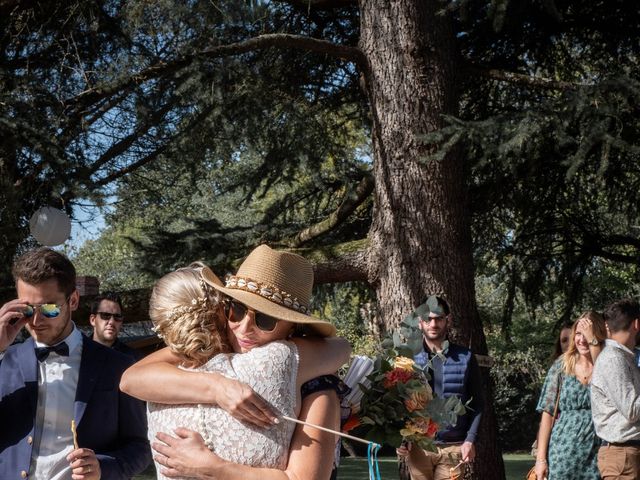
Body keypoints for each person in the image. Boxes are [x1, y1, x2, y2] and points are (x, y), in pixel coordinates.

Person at [120, 244, 350, 479]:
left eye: (265, 319)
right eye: (237, 310)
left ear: (293, 325)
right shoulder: (208, 353)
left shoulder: (316, 385)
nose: (244, 328)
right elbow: (131, 379)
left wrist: (214, 468)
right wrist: (218, 387)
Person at [0, 247, 151, 480]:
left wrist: (103, 468)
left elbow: (140, 448)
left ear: (73, 300)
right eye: (28, 310)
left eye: (49, 308)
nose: (36, 321)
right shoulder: (5, 361)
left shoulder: (117, 366)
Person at [397, 296, 484, 480]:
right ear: (420, 322)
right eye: (428, 319)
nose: (433, 324)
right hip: (419, 447)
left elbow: (478, 403)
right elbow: (398, 404)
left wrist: (470, 440)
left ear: (447, 320)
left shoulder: (465, 357)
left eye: (439, 318)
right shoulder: (408, 359)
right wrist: (400, 439)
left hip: (454, 447)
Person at [534, 311, 606, 480]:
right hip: (562, 454)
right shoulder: (562, 365)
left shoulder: (606, 364)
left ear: (598, 335)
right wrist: (541, 459)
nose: (581, 340)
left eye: (587, 334)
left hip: (598, 453)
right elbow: (547, 414)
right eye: (578, 334)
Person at [590, 298, 640, 479]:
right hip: (622, 456)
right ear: (637, 324)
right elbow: (632, 409)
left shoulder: (624, 356)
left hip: (628, 454)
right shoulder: (613, 359)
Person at [90, 291, 140, 360]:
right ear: (93, 320)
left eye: (117, 316)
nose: (112, 322)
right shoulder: (77, 353)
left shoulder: (132, 359)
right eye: (105, 315)